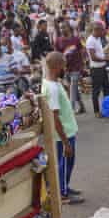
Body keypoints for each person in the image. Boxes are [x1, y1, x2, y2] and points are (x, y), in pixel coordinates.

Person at [41, 52, 83, 206]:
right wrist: (65, 141)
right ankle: (62, 194)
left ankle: (65, 187)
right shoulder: (51, 87)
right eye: (63, 65)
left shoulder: (52, 82)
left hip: (67, 131)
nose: (65, 68)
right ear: (57, 67)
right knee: (64, 163)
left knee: (67, 163)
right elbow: (54, 117)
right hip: (62, 134)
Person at [54, 24, 86, 114]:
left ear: (69, 28)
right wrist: (60, 67)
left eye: (64, 27)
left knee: (73, 86)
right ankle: (82, 106)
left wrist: (83, 63)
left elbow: (81, 50)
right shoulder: (58, 41)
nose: (62, 29)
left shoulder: (75, 39)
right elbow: (57, 55)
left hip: (76, 67)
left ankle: (71, 109)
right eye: (60, 27)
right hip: (65, 68)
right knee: (73, 87)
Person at [85, 21, 109, 118]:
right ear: (96, 30)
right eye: (102, 30)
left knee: (107, 88)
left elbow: (99, 53)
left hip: (102, 67)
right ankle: (96, 111)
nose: (103, 32)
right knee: (96, 91)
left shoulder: (98, 39)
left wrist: (106, 53)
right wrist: (106, 58)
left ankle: (108, 108)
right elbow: (93, 57)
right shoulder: (90, 41)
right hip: (96, 69)